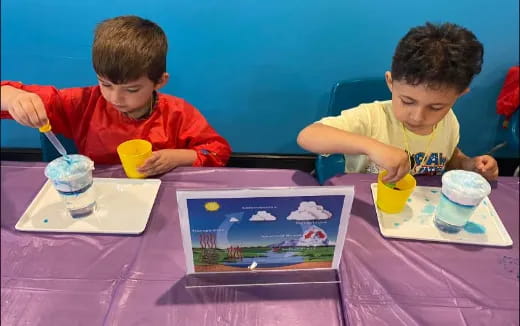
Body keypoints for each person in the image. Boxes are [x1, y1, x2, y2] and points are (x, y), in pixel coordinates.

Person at [1, 15, 231, 176]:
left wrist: (177, 157)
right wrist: (12, 97)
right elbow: (7, 97)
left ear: (160, 81)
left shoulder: (178, 113)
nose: (116, 98)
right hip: (101, 195)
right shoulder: (82, 103)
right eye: (106, 84)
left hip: (162, 194)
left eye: (132, 89)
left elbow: (217, 151)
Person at [297, 22, 499, 183]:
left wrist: (468, 165)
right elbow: (307, 136)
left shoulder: (449, 121)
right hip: (369, 201)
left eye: (436, 107)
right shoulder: (372, 117)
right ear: (391, 82)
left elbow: (450, 157)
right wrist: (371, 147)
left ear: (459, 95)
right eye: (407, 101)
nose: (418, 117)